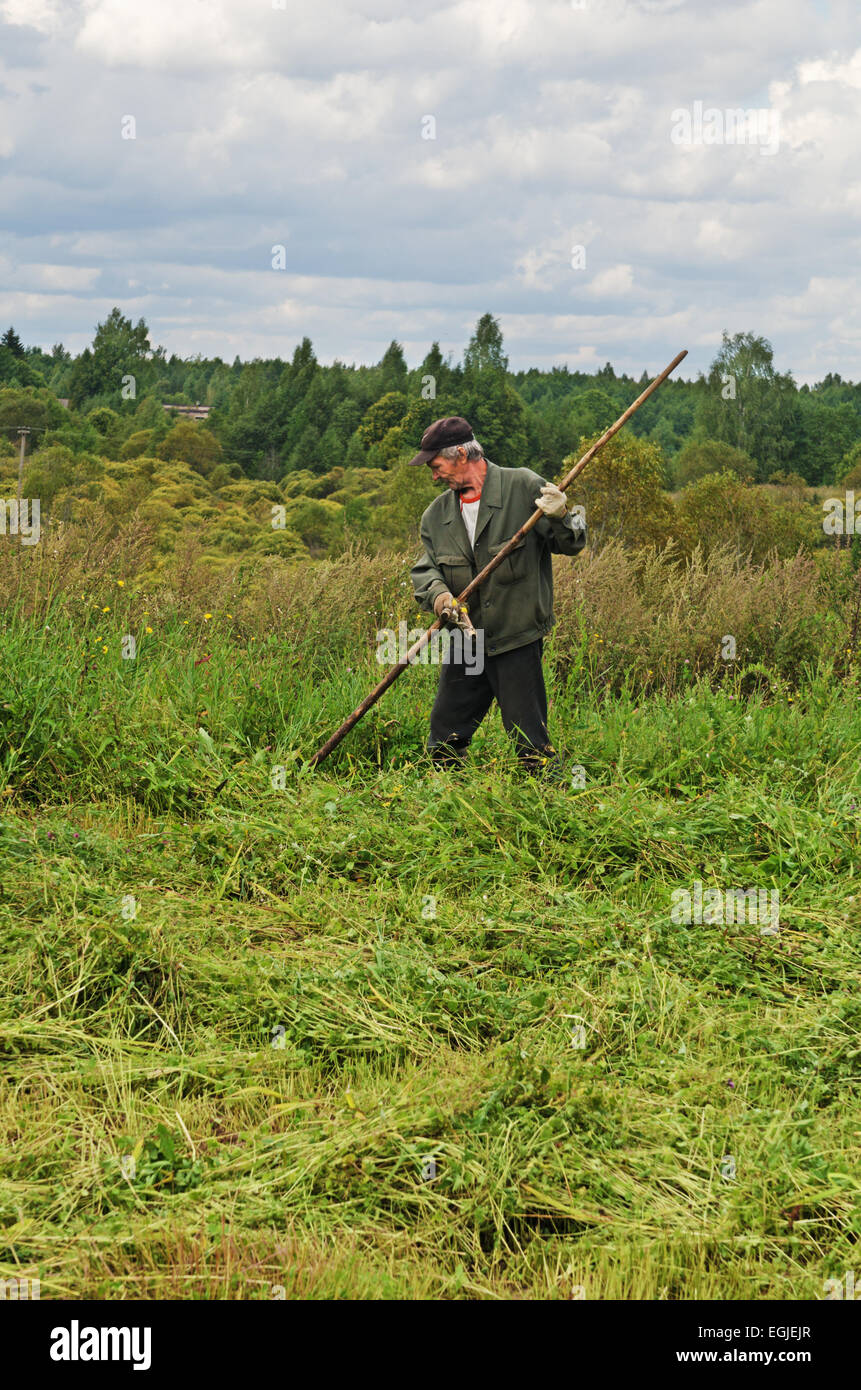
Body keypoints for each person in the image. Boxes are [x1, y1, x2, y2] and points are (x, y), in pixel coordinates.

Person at [409, 415, 586, 774]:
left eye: (435, 464)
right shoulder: (436, 516)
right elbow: (426, 570)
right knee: (445, 737)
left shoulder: (522, 486)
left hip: (516, 639)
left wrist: (563, 515)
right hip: (466, 642)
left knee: (530, 742)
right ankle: (443, 806)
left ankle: (550, 808)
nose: (433, 475)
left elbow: (573, 542)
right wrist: (442, 599)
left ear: (460, 454)